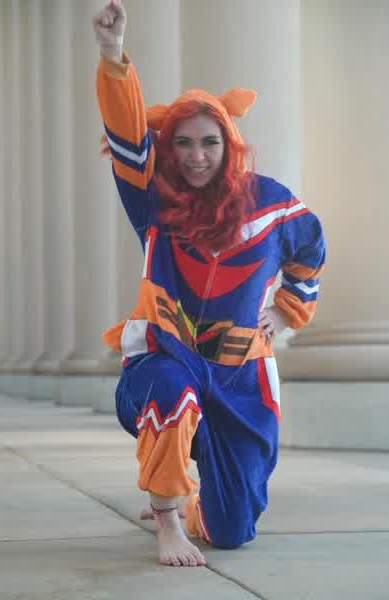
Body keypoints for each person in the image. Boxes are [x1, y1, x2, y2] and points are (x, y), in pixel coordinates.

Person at [92, 0, 326, 568]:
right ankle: (167, 516)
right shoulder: (153, 199)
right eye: (183, 143)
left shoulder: (270, 203)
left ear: (229, 143)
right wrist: (113, 53)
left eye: (209, 142)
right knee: (174, 393)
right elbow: (127, 141)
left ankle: (195, 498)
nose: (196, 156)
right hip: (167, 355)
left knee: (234, 530)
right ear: (169, 148)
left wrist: (289, 308)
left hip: (241, 372)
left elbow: (311, 249)